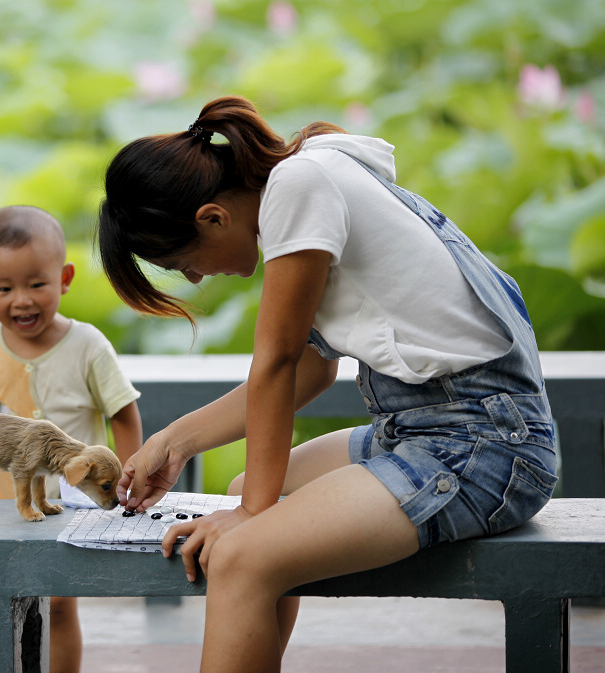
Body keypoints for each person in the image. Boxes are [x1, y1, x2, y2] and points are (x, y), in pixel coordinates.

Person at [96, 96, 557, 673]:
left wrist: (252, 514)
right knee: (247, 486)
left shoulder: (298, 187)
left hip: (483, 447)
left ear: (213, 217)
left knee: (241, 554)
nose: (192, 277)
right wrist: (177, 441)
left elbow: (278, 361)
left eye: (180, 261)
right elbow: (316, 368)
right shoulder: (312, 171)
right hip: (417, 430)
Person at [0, 205, 143, 673]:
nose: (23, 301)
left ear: (64, 277)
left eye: (37, 284)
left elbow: (123, 412)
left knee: (59, 606)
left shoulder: (88, 346)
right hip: (1, 508)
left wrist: (129, 472)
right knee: (0, 601)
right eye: (5, 288)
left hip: (73, 507)